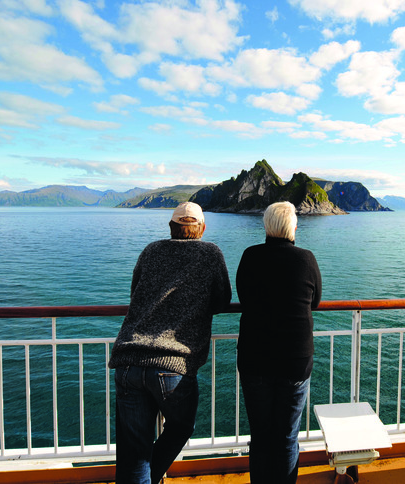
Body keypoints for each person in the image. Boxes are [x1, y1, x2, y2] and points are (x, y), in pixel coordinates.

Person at [109, 202, 231, 484]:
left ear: (171, 227)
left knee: (133, 453)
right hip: (173, 365)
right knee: (180, 427)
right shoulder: (210, 253)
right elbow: (222, 300)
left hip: (129, 360)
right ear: (202, 228)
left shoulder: (151, 250)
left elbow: (135, 293)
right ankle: (151, 476)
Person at [236, 201, 322, 484]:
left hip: (254, 358)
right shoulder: (306, 259)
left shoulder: (250, 256)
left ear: (266, 226)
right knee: (286, 438)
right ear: (293, 228)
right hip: (295, 361)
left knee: (261, 437)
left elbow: (244, 297)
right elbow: (315, 301)